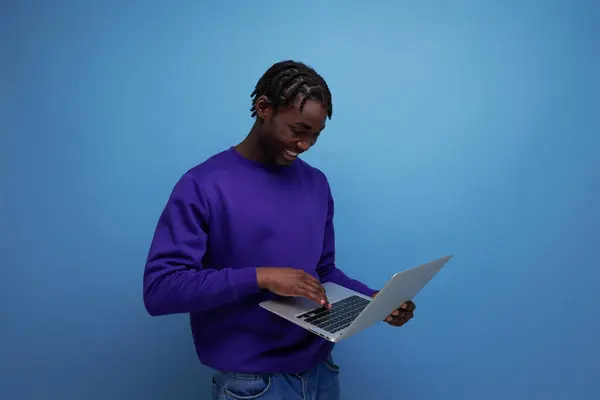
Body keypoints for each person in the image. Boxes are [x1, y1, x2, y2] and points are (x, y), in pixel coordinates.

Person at [143, 60, 416, 400]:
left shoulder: (316, 183)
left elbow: (323, 272)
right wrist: (261, 276)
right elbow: (160, 290)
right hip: (252, 385)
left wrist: (373, 301)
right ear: (263, 108)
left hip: (321, 373)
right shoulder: (202, 185)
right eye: (297, 130)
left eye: (315, 135)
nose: (305, 145)